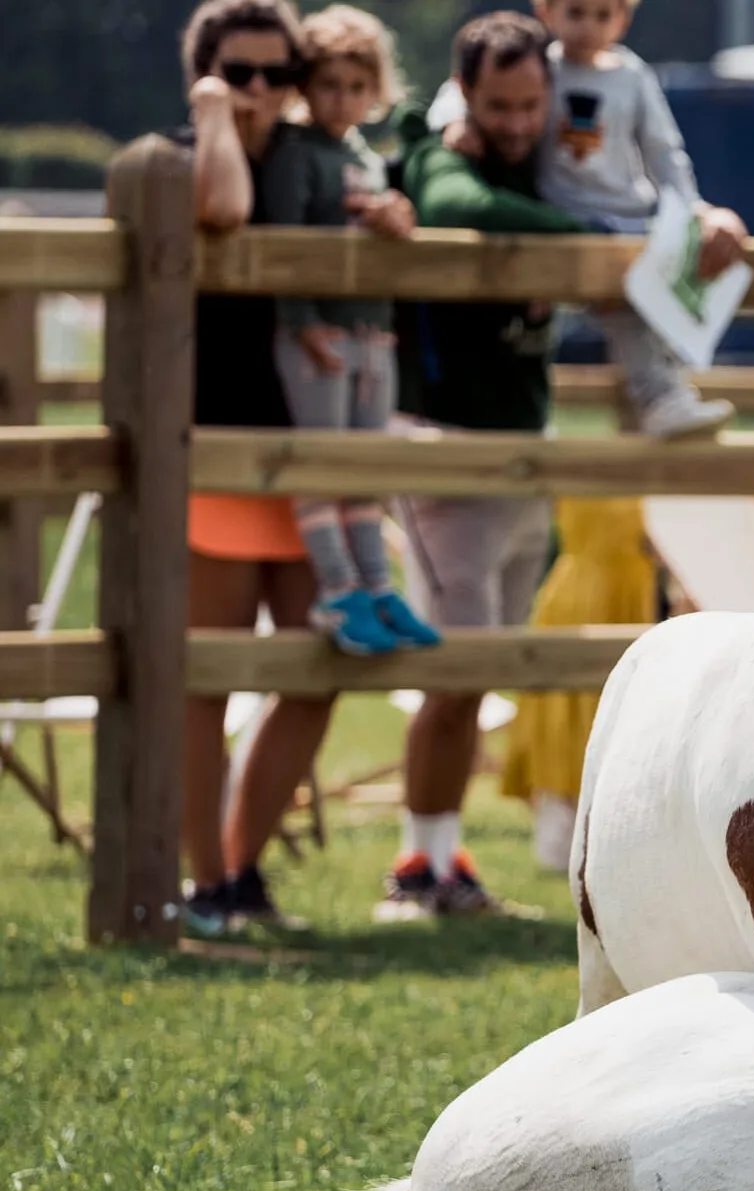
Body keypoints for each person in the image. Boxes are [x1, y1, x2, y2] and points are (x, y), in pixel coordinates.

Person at [170, 0, 410, 936]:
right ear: (204, 75)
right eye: (239, 73)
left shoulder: (324, 161)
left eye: (278, 73)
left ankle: (240, 870)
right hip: (222, 446)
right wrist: (210, 115)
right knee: (213, 674)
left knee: (317, 664)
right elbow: (222, 209)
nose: (261, 90)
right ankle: (204, 882)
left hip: (318, 447)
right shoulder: (181, 150)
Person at [382, 11, 621, 919]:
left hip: (521, 443)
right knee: (458, 660)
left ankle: (445, 861)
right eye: (500, 104)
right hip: (447, 440)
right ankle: (417, 866)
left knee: (483, 660)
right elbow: (454, 209)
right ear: (467, 95)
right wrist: (576, 233)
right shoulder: (453, 157)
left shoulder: (545, 155)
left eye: (532, 102)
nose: (519, 120)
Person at [277, 4, 436, 658]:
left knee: (366, 463)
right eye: (328, 85)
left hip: (372, 330)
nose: (341, 100)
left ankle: (376, 583)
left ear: (376, 91)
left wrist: (398, 215)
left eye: (355, 86)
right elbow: (280, 246)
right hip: (319, 333)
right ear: (306, 86)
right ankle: (337, 587)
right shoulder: (296, 153)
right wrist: (302, 321)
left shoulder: (368, 157)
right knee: (322, 460)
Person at [529, 0, 740, 437]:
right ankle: (533, 418)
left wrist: (692, 208)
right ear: (546, 12)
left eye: (603, 15)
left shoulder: (632, 75)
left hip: (627, 214)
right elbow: (469, 93)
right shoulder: (536, 67)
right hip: (560, 216)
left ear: (623, 20)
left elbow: (664, 151)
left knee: (646, 303)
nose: (589, 26)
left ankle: (662, 398)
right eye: (576, 12)